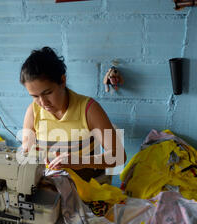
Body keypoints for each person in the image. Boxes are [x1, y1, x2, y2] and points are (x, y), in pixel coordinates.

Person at [20, 47, 126, 183]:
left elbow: (118, 156)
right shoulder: (33, 111)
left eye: (47, 93)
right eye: (35, 96)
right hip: (52, 183)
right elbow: (27, 152)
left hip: (85, 185)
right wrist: (38, 156)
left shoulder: (89, 109)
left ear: (62, 80)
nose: (43, 102)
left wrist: (80, 161)